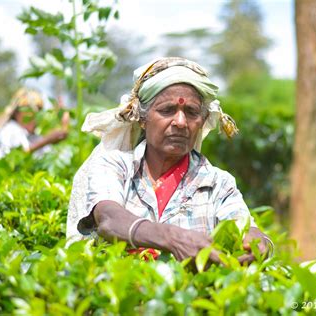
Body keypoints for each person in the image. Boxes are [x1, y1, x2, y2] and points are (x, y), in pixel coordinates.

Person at [68, 57, 273, 263]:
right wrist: (173, 238)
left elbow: (244, 225)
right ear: (142, 118)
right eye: (167, 110)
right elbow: (108, 219)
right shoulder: (115, 166)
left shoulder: (217, 183)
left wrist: (258, 240)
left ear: (202, 121)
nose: (181, 122)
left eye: (191, 112)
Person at [0, 88, 69, 159]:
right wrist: (46, 140)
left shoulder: (33, 136)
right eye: (28, 111)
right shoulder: (10, 131)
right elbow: (12, 159)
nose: (33, 117)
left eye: (38, 112)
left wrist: (63, 126)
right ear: (17, 113)